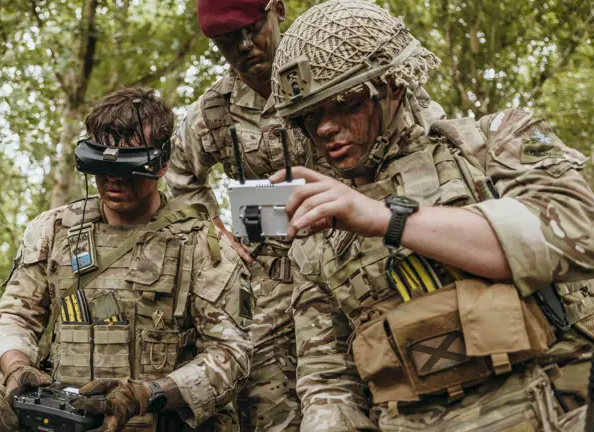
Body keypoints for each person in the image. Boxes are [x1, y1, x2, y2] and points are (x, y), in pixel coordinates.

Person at [266, 1, 594, 431]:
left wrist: (385, 218)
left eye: (344, 103)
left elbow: (580, 238)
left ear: (393, 86)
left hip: (559, 410)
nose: (324, 128)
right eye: (309, 117)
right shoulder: (319, 227)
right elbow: (328, 380)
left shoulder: (493, 143)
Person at [166, 1, 446, 430]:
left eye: (252, 28)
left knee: (396, 376)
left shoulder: (340, 64)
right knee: (269, 405)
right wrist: (213, 230)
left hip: (362, 253)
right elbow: (181, 170)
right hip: (273, 275)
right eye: (227, 40)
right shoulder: (215, 111)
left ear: (276, 9)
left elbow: (421, 131)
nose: (244, 46)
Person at [0, 88, 253, 432]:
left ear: (162, 162)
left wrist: (146, 394)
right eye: (102, 165)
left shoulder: (200, 243)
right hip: (62, 405)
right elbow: (15, 315)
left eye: (129, 165)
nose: (114, 179)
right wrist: (17, 366)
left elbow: (230, 356)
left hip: (157, 413)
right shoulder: (54, 229)